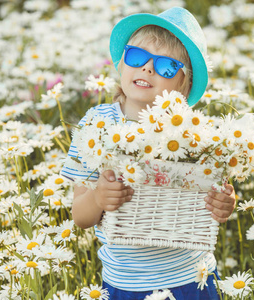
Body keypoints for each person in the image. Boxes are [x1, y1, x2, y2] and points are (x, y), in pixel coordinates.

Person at [60, 7, 236, 299]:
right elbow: (80, 215)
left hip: (192, 277)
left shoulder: (192, 132)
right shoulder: (96, 124)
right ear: (121, 64)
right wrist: (98, 198)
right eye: (137, 57)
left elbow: (215, 193)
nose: (147, 68)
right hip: (125, 283)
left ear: (184, 84)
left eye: (166, 66)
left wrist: (225, 202)